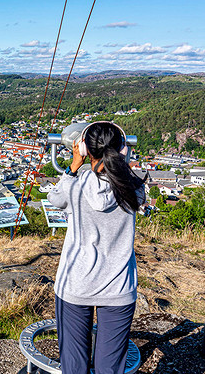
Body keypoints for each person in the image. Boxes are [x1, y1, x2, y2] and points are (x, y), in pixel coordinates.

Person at [47, 122, 146, 374]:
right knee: (110, 367)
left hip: (76, 284)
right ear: (122, 148)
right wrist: (124, 159)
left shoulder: (75, 186)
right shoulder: (134, 187)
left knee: (74, 361)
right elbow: (121, 178)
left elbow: (54, 198)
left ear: (83, 148)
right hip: (119, 286)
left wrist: (73, 166)